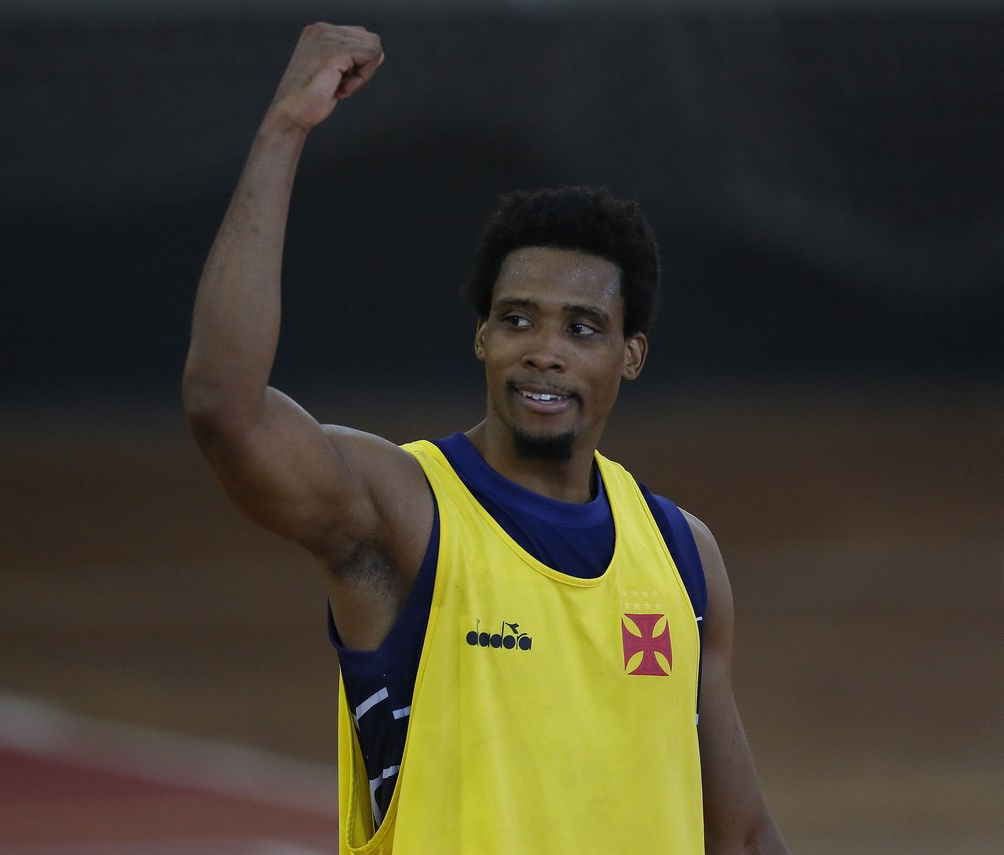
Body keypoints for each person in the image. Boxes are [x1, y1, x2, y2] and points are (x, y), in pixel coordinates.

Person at [182, 22, 788, 855]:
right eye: (517, 319)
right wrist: (283, 129)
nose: (544, 349)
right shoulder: (404, 509)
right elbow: (226, 407)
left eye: (581, 327)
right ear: (482, 338)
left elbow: (742, 836)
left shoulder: (683, 558)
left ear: (630, 354)